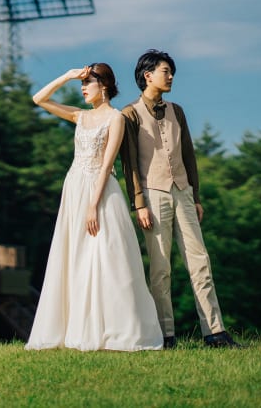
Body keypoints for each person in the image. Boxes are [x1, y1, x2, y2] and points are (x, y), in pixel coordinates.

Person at [25, 63, 163, 351]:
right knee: (74, 256)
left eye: (88, 83)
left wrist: (93, 205)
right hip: (74, 188)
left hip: (99, 191)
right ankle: (75, 327)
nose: (84, 89)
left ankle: (114, 330)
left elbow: (106, 165)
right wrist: (67, 75)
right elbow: (39, 99)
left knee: (106, 257)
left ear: (104, 85)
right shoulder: (79, 116)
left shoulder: (116, 119)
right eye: (82, 85)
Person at [120, 49, 243, 348]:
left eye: (171, 71)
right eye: (166, 71)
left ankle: (215, 332)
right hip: (152, 195)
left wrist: (195, 195)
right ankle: (166, 336)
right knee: (160, 269)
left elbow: (189, 154)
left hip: (183, 192)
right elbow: (129, 164)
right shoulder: (130, 114)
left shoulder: (178, 111)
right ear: (148, 75)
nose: (171, 76)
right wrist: (138, 202)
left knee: (200, 262)